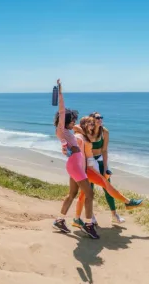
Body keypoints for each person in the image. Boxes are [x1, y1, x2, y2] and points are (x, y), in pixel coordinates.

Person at [72, 116, 143, 228]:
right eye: (95, 119)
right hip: (88, 166)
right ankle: (88, 217)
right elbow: (75, 129)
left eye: (100, 118)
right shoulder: (82, 133)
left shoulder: (102, 132)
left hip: (96, 163)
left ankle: (113, 214)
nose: (99, 120)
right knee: (89, 191)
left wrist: (105, 167)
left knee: (103, 187)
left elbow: (104, 150)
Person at [53, 79, 99, 239]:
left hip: (75, 163)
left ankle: (59, 220)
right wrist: (59, 92)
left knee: (72, 194)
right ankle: (88, 224)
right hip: (74, 165)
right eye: (71, 120)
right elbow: (61, 110)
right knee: (89, 194)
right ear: (64, 120)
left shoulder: (68, 132)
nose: (74, 122)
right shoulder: (61, 130)